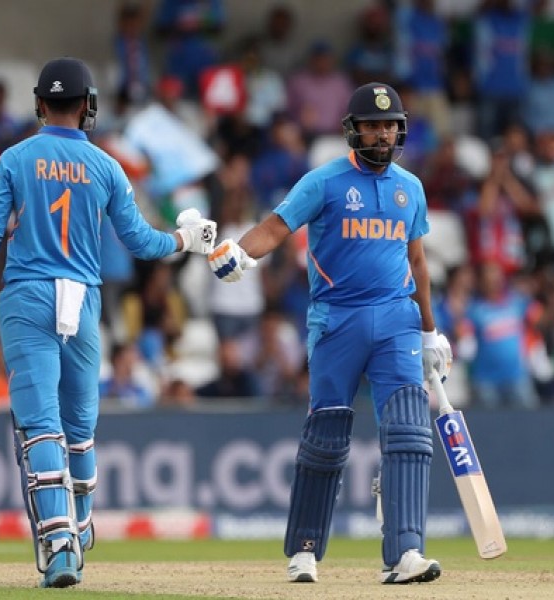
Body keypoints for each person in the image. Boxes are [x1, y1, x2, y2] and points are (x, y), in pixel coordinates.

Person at [0, 57, 216, 588]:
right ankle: (80, 526)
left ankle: (61, 546)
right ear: (87, 106)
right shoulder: (108, 167)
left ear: (40, 104)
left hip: (25, 297)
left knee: (41, 425)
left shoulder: (16, 158)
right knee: (80, 431)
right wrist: (188, 241)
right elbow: (141, 242)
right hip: (82, 301)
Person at [208, 82, 452, 585]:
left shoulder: (411, 187)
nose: (382, 134)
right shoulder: (324, 181)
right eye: (373, 125)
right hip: (336, 320)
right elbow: (276, 227)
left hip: (395, 321)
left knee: (408, 431)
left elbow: (419, 262)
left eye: (390, 126)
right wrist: (240, 253)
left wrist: (430, 332)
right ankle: (304, 549)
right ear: (353, 130)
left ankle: (406, 551)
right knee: (326, 439)